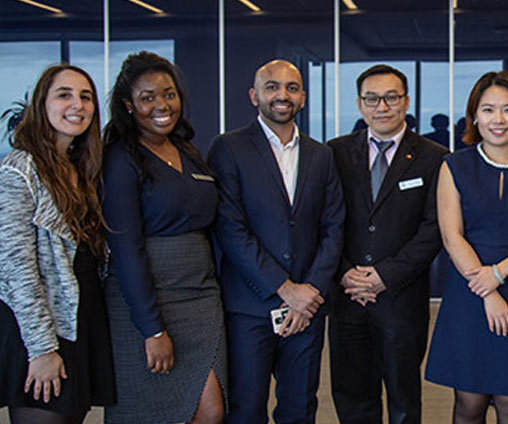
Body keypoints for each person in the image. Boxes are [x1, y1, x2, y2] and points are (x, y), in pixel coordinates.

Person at [207, 59, 345, 424]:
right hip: (251, 306)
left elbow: (334, 228)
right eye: (272, 87)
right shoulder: (228, 148)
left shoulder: (322, 155)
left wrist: (309, 292)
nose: (282, 95)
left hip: (308, 310)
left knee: (299, 408)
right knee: (246, 408)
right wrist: (286, 289)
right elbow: (230, 228)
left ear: (302, 96)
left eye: (292, 87)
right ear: (254, 96)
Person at [425, 70, 508, 424]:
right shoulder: (454, 166)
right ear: (474, 116)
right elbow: (452, 235)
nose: (498, 120)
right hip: (469, 291)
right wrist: (487, 290)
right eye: (488, 110)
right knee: (468, 404)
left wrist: (499, 274)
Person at [102, 51, 226, 423]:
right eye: (147, 97)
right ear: (128, 105)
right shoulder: (122, 158)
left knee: (212, 409)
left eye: (169, 94)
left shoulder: (187, 150)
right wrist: (151, 327)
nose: (162, 105)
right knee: (158, 412)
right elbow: (125, 248)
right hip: (148, 303)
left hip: (202, 298)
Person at [327, 64, 448, 424]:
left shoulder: (434, 157)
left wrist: (384, 276)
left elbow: (434, 229)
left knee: (404, 402)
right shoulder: (334, 153)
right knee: (352, 399)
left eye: (391, 97)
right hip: (347, 300)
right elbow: (324, 222)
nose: (382, 106)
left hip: (401, 300)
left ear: (406, 101)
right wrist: (347, 273)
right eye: (372, 98)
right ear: (360, 104)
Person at [0, 64, 115, 424]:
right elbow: (15, 267)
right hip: (40, 330)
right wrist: (42, 349)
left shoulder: (80, 169)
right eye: (64, 94)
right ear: (41, 104)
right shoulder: (20, 169)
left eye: (86, 96)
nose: (77, 105)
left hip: (78, 318)